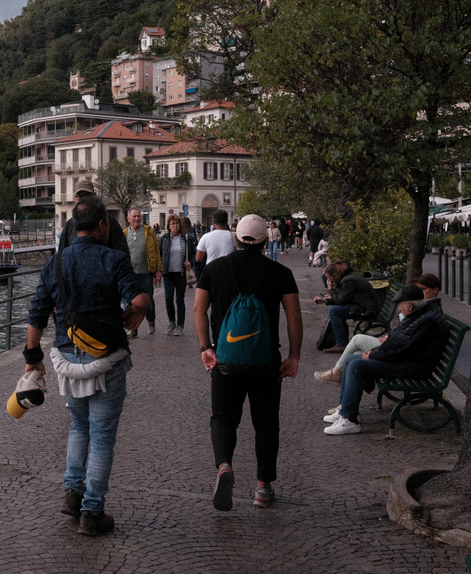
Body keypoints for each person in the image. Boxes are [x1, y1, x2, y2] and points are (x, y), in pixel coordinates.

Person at [23, 196, 151, 536]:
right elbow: (140, 299)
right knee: (103, 437)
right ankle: (93, 512)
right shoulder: (114, 258)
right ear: (103, 226)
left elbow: (36, 314)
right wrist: (128, 317)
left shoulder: (56, 262)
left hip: (67, 357)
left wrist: (32, 359)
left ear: (74, 227)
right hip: (105, 358)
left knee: (78, 427)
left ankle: (72, 493)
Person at [192, 214, 302, 510]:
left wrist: (206, 347)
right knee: (266, 424)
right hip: (266, 363)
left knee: (223, 419)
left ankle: (224, 466)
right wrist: (294, 356)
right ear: (266, 241)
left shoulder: (214, 270)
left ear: (235, 238)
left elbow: (198, 310)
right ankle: (263, 489)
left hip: (225, 361)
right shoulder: (280, 272)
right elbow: (294, 317)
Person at [323, 285, 450, 435]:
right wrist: (376, 350)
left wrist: (373, 355)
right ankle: (346, 409)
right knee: (351, 359)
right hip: (408, 362)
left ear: (409, 305)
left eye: (400, 306)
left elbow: (404, 352)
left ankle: (350, 420)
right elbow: (399, 338)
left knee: (357, 365)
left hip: (414, 368)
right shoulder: (420, 313)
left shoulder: (426, 322)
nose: (399, 310)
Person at [314, 274, 443, 384]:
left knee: (356, 349)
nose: (420, 293)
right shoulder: (424, 308)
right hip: (396, 348)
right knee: (354, 355)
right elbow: (404, 333)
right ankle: (342, 398)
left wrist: (374, 353)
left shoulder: (427, 313)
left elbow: (406, 345)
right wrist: (389, 336)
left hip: (403, 359)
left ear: (435, 290)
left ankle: (336, 375)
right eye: (418, 289)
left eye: (423, 289)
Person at [313, 261, 380, 354]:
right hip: (365, 306)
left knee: (334, 311)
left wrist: (331, 289)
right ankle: (341, 341)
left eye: (330, 279)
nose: (330, 282)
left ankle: (341, 344)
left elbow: (341, 301)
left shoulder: (349, 280)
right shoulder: (348, 276)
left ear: (336, 275)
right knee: (336, 310)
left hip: (367, 310)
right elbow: (344, 298)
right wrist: (325, 300)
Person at [57, 180, 128, 254]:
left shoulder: (110, 222)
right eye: (81, 196)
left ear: (95, 195)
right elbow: (61, 257)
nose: (84, 199)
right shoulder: (69, 225)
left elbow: (123, 253)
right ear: (75, 198)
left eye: (87, 195)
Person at [124, 207, 162, 337]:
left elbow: (156, 250)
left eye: (138, 216)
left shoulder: (148, 231)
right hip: (130, 274)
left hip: (146, 273)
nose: (137, 219)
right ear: (128, 219)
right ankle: (132, 328)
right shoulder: (124, 234)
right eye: (134, 216)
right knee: (130, 301)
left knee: (148, 300)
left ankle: (151, 321)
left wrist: (158, 270)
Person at [160, 214, 196, 336]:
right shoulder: (164, 238)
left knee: (179, 300)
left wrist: (190, 262)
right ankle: (171, 322)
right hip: (168, 274)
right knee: (168, 298)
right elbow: (160, 254)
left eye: (177, 223)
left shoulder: (186, 239)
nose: (175, 226)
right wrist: (158, 270)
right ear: (169, 226)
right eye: (173, 224)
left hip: (181, 274)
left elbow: (193, 253)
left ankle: (180, 325)